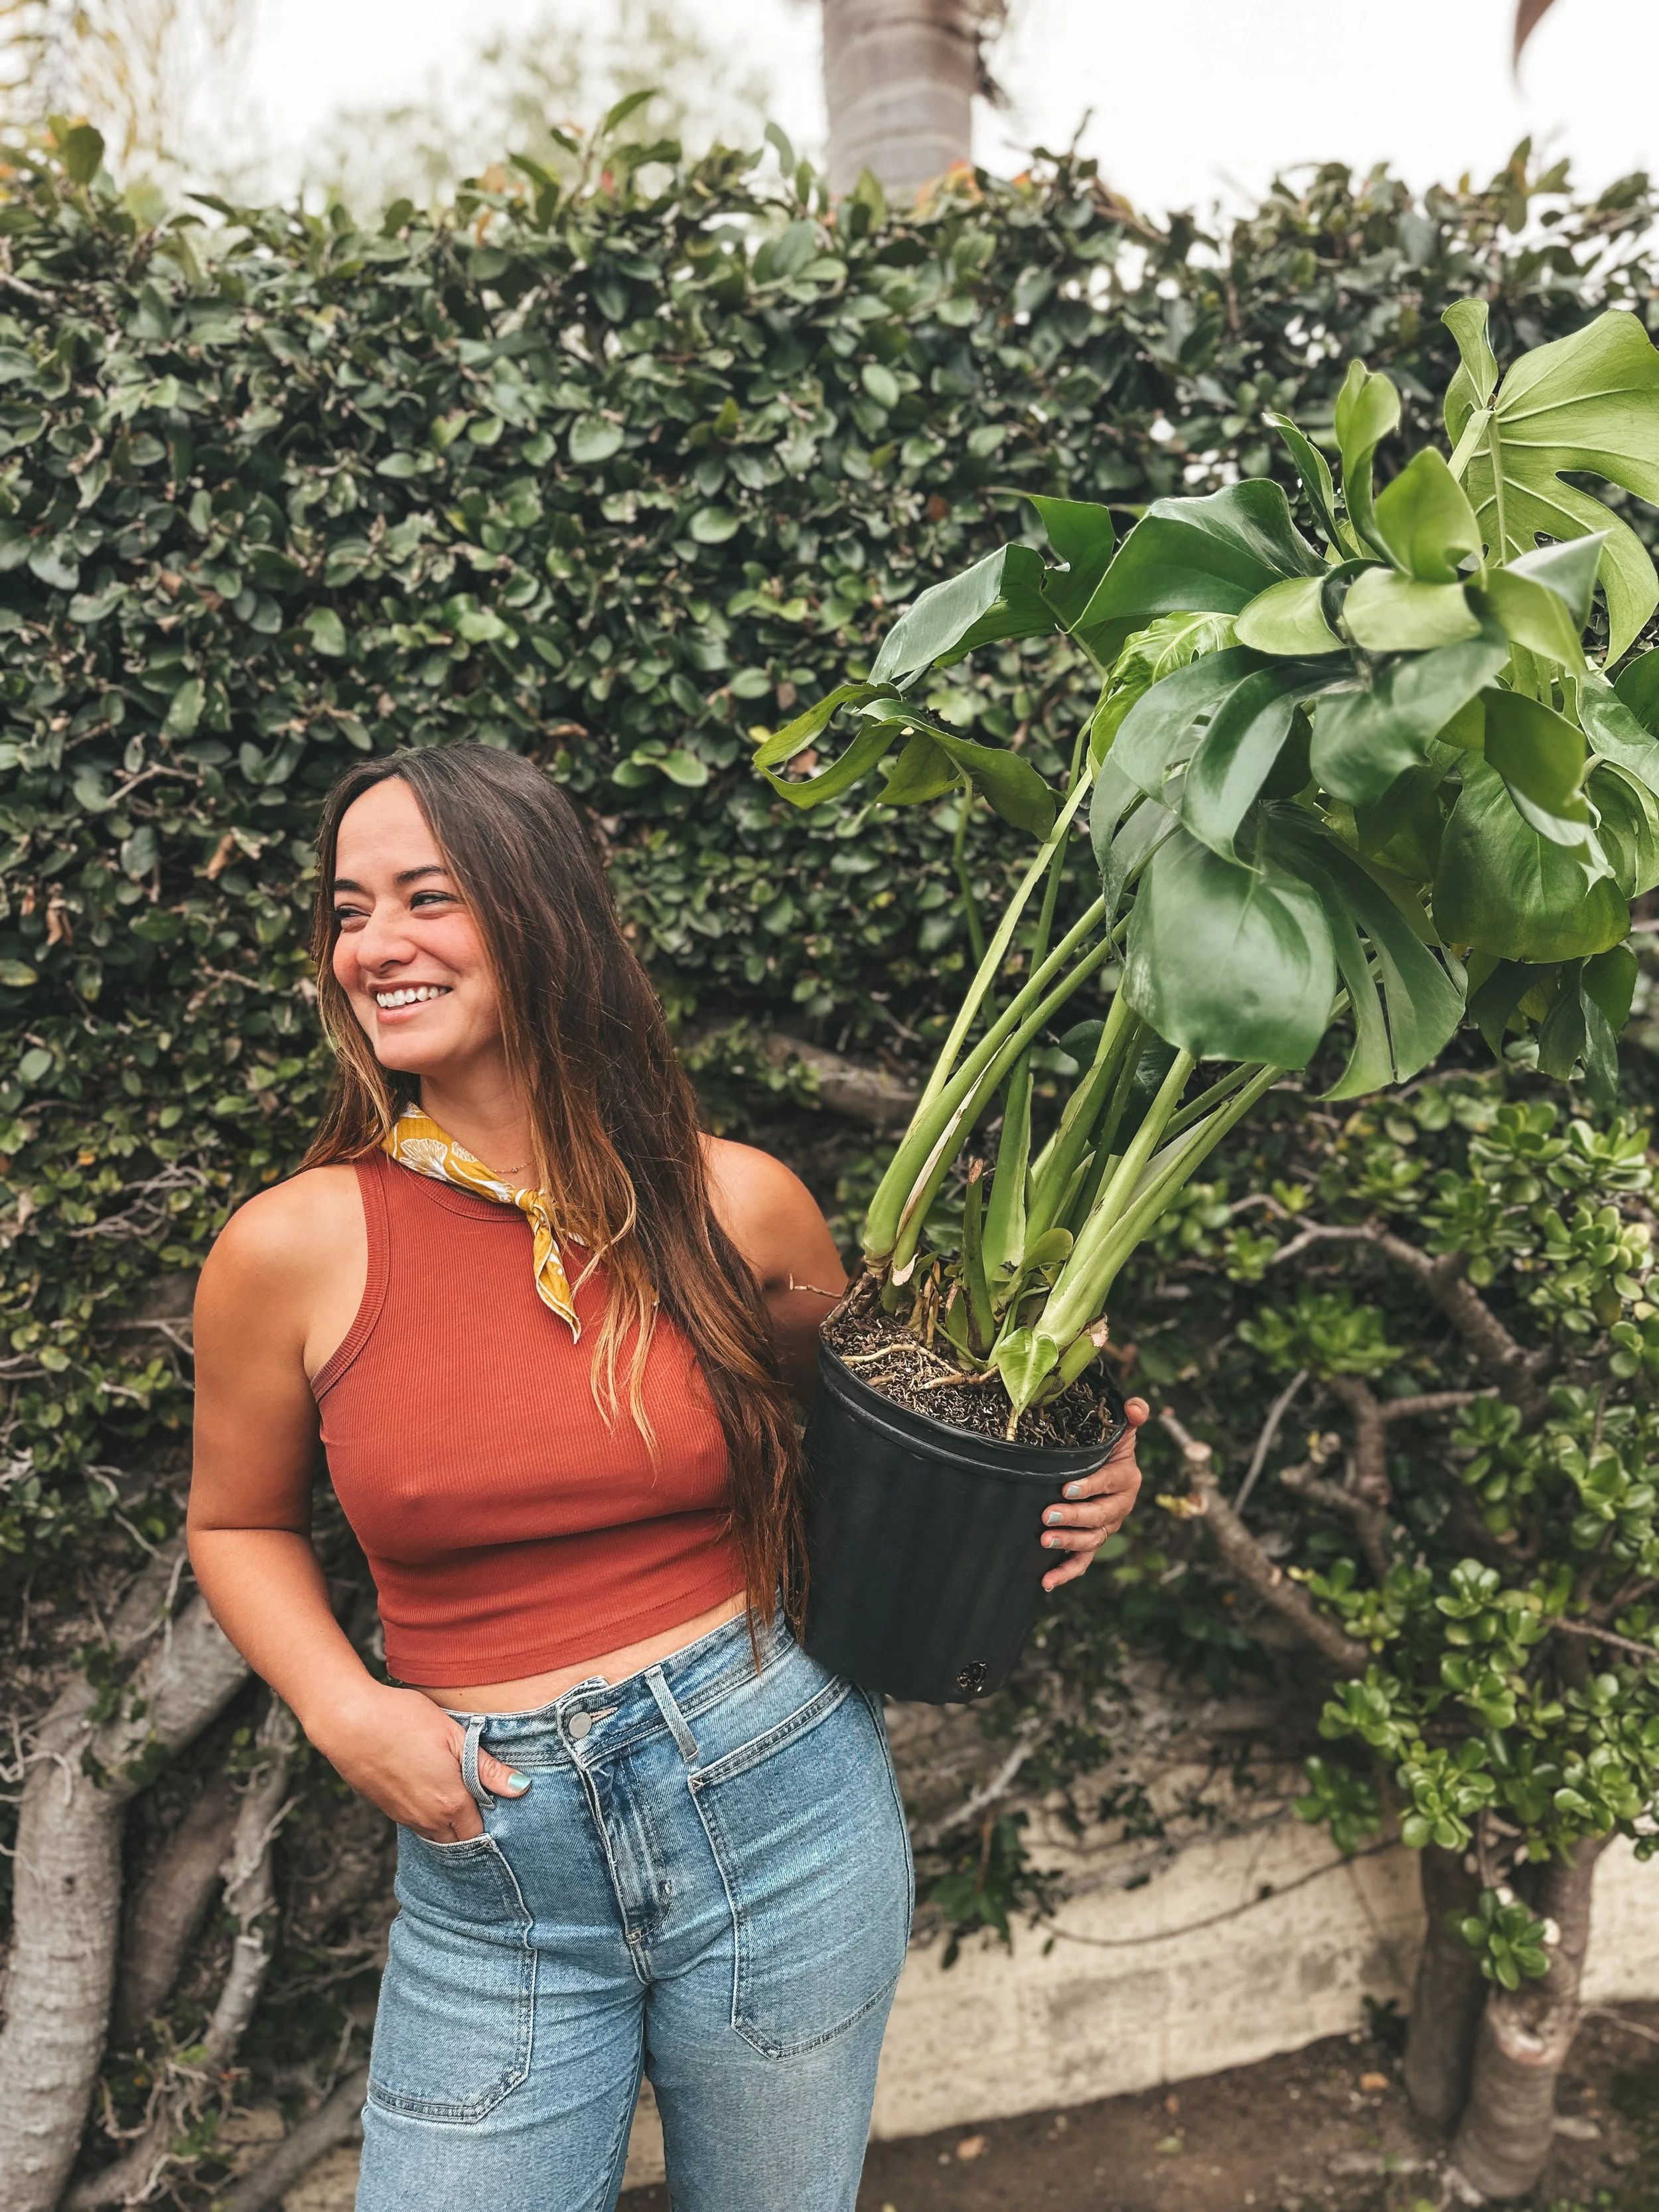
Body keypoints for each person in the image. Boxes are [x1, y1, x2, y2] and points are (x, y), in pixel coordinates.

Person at [188, 743, 1147, 2212]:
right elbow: (236, 1519)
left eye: (424, 897)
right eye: (346, 908)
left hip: (779, 1795)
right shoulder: (292, 1245)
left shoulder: (736, 1201)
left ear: (542, 913)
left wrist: (1074, 1475)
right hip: (491, 1856)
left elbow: (902, 1445)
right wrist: (344, 1709)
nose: (371, 944)